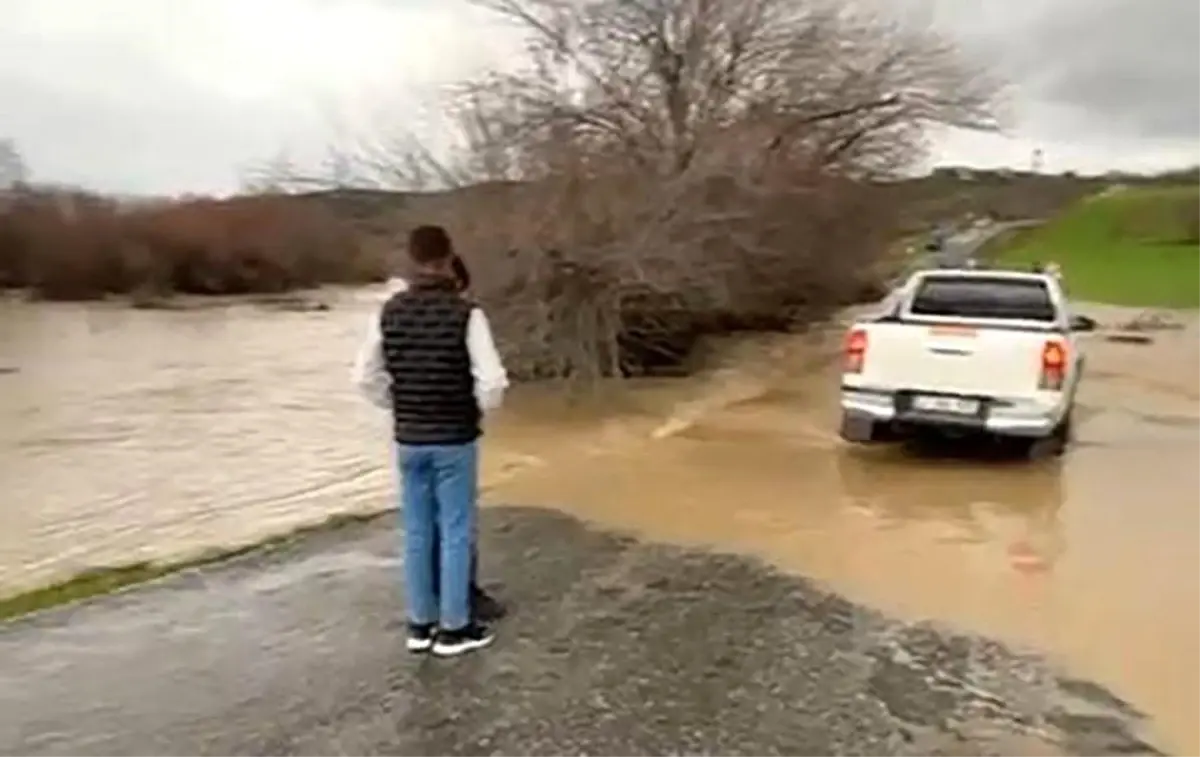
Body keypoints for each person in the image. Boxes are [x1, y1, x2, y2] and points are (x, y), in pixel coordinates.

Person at [352, 225, 508, 657]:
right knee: (456, 529)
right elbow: (492, 381)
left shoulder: (387, 312)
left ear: (411, 258)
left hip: (409, 436)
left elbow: (364, 377)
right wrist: (474, 410)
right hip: (454, 436)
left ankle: (420, 626)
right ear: (448, 256)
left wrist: (398, 405)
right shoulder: (467, 314)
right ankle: (455, 628)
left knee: (417, 531)